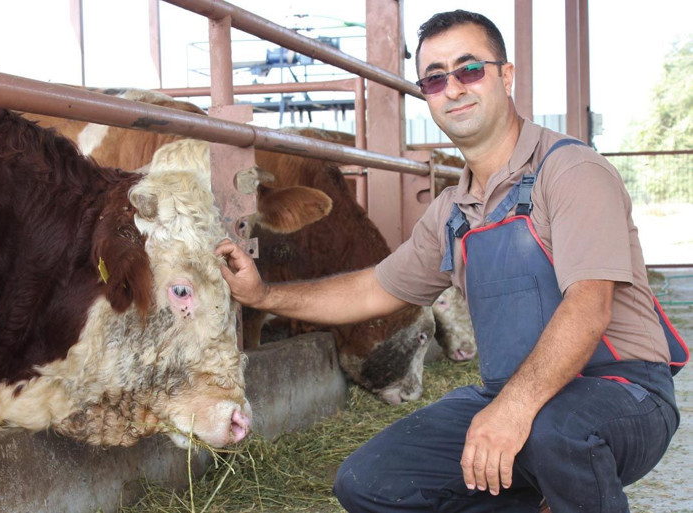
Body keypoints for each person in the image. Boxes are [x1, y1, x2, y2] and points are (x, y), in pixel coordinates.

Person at [216, 9, 682, 512]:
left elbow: (589, 306)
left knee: (555, 432)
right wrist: (265, 296)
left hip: (621, 392)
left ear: (505, 76)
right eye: (435, 79)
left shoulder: (570, 171)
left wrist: (513, 410)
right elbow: (373, 289)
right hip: (511, 397)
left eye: (470, 69)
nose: (453, 88)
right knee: (367, 481)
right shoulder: (450, 213)